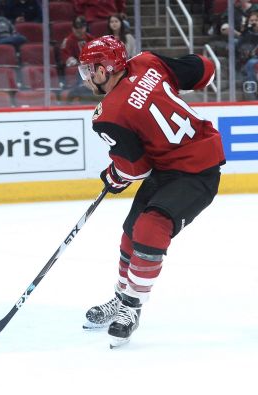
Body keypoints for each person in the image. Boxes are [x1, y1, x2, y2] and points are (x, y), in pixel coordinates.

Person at [77, 36, 225, 347]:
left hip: (196, 172)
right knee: (131, 232)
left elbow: (134, 169)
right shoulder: (147, 62)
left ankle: (131, 307)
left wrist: (113, 177)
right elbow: (204, 70)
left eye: (90, 70)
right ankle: (120, 297)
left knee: (150, 226)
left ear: (104, 70)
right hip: (170, 167)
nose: (87, 77)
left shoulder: (108, 115)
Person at [60, 16, 94, 102]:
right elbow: (65, 57)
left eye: (81, 27)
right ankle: (81, 89)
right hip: (78, 69)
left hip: (91, 69)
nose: (78, 30)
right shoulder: (68, 40)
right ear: (72, 28)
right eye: (76, 28)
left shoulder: (91, 39)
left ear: (85, 27)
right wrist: (79, 63)